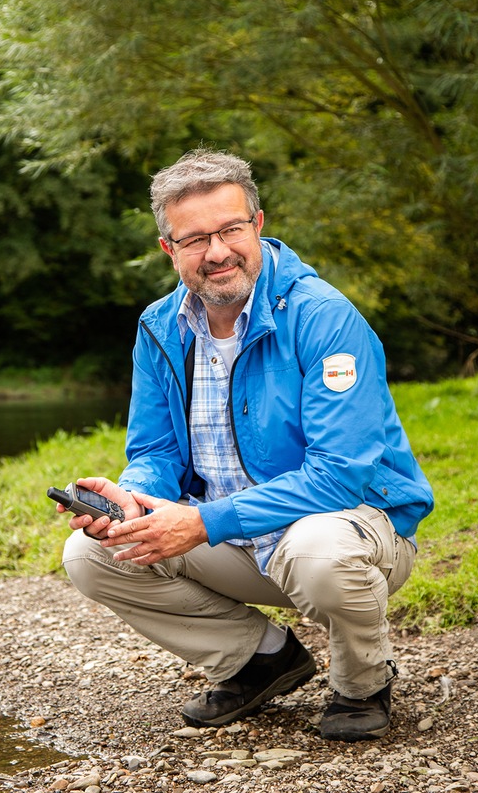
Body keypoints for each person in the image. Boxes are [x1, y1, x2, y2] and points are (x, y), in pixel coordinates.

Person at [57, 148, 434, 742]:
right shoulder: (160, 327)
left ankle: (363, 681)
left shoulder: (324, 317)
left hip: (347, 534)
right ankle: (260, 660)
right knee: (91, 555)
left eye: (231, 229)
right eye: (195, 238)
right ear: (169, 250)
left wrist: (202, 522)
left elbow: (339, 475)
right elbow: (156, 452)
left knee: (319, 549)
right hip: (234, 540)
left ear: (258, 224)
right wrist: (131, 499)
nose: (217, 252)